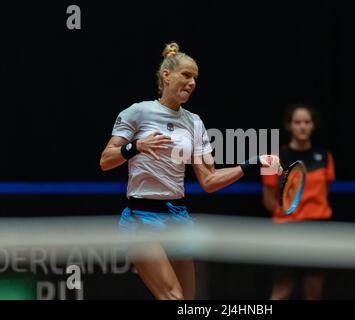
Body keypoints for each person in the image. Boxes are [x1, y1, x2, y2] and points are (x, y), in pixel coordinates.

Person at [99, 42, 282, 300]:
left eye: (195, 77)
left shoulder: (194, 121)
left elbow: (209, 180)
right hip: (142, 217)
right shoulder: (138, 112)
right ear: (166, 75)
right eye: (186, 75)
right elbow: (106, 160)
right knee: (172, 297)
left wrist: (253, 162)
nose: (192, 82)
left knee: (188, 301)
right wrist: (136, 146)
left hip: (178, 217)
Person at [262, 103, 335, 300]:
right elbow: (269, 200)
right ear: (289, 126)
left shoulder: (325, 157)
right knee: (281, 292)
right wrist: (287, 216)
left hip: (318, 230)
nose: (302, 126)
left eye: (307, 122)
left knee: (314, 292)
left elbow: (324, 194)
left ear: (313, 126)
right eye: (297, 122)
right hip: (286, 231)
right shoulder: (274, 159)